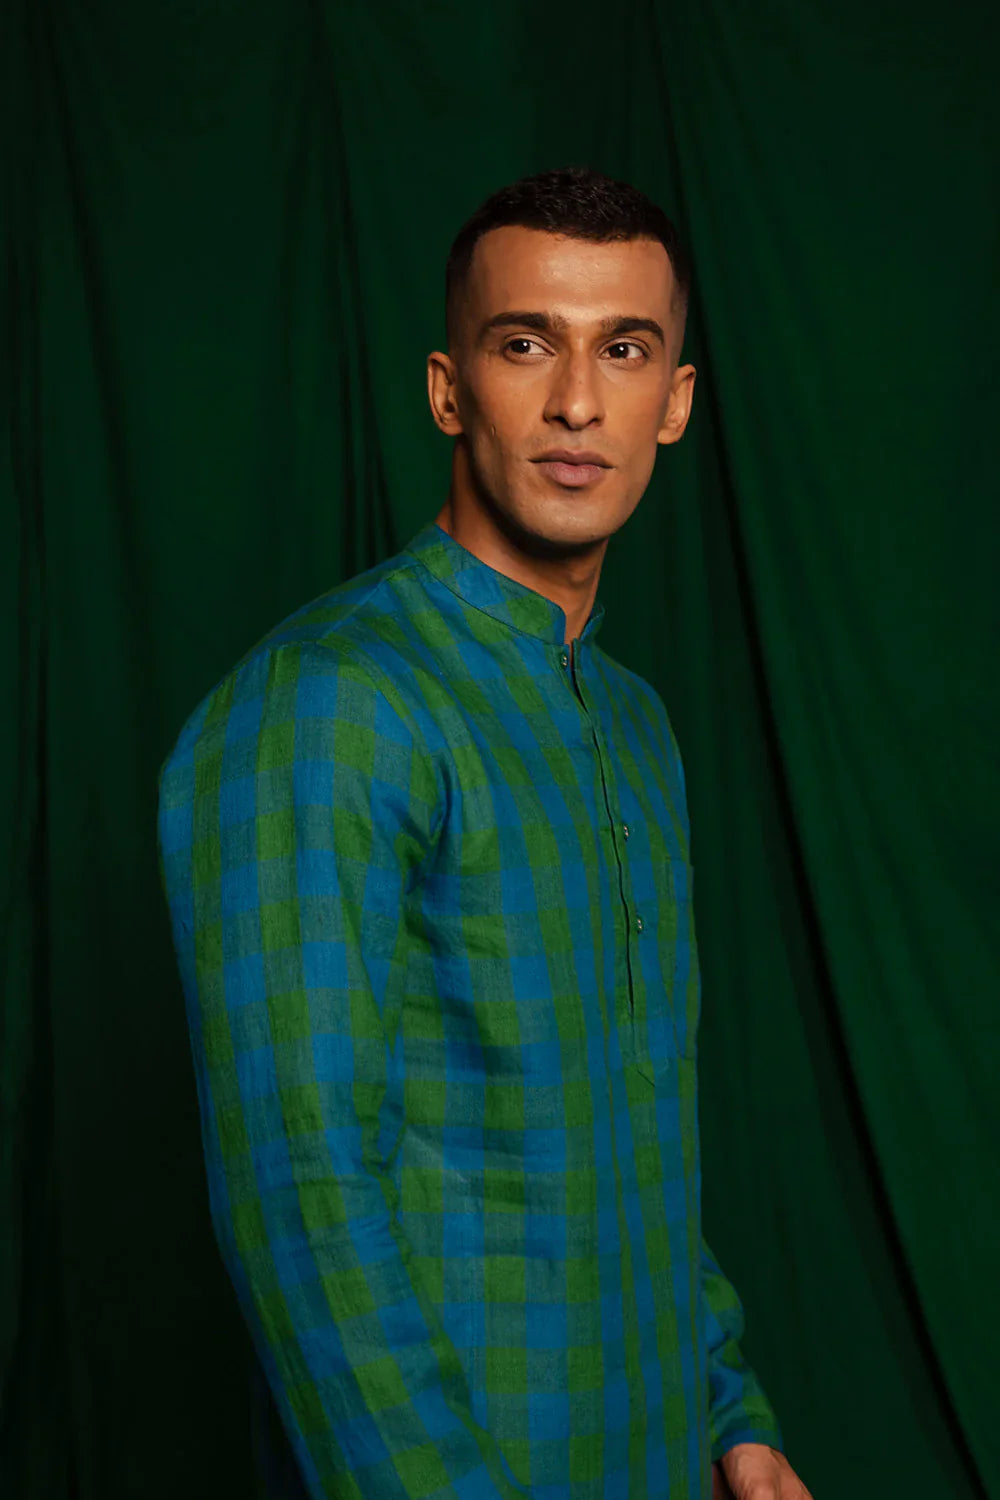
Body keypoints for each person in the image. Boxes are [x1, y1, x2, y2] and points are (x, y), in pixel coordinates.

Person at [159, 166, 813, 1500]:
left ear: (675, 400)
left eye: (624, 350)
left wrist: (729, 1417)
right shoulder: (329, 702)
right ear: (449, 388)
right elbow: (300, 1197)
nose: (577, 402)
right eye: (526, 344)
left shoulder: (635, 724)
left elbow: (638, 1136)